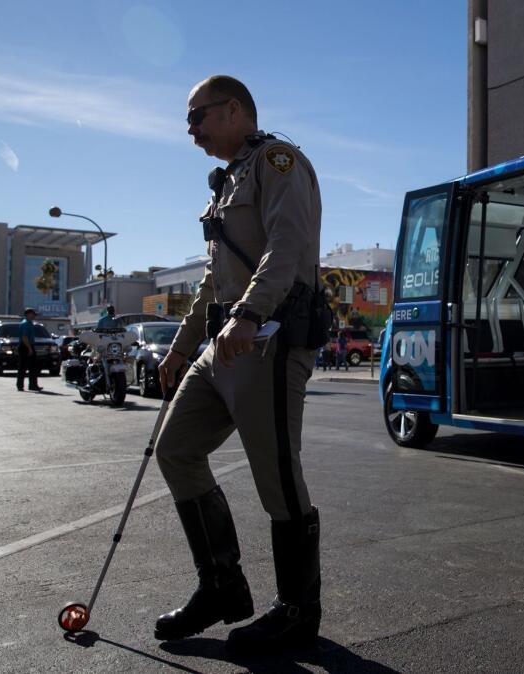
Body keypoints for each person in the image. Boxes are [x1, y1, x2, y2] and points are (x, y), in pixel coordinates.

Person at [153, 75, 323, 655]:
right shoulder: (227, 181)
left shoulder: (279, 162)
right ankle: (222, 586)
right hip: (222, 342)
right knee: (175, 448)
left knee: (278, 478)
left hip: (267, 338)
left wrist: (249, 314)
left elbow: (288, 244)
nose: (192, 131)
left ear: (233, 110)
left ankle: (298, 612)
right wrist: (180, 346)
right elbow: (212, 278)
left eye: (196, 117)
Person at [16, 308, 43, 392]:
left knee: (33, 367)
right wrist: (29, 349)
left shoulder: (30, 323)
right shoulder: (25, 324)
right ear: (28, 314)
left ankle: (33, 385)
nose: (34, 316)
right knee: (23, 367)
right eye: (33, 314)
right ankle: (20, 386)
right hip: (25, 346)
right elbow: (24, 337)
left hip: (29, 346)